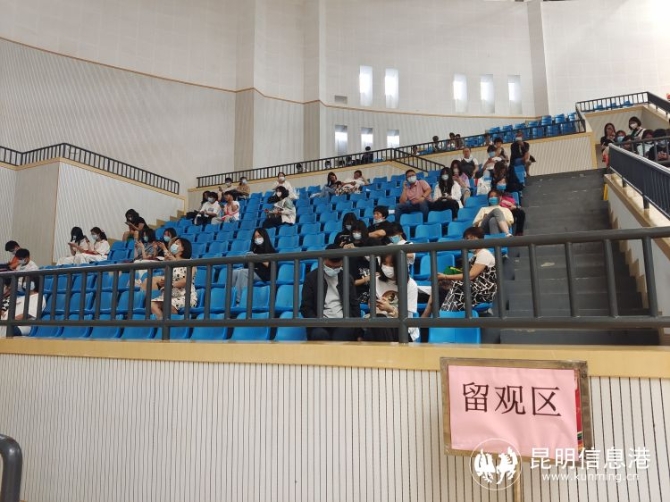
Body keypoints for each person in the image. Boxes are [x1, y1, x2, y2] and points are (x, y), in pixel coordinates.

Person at [300, 245, 361, 341]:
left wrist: (358, 331)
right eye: (329, 266)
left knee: (341, 336)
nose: (332, 269)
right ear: (323, 260)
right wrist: (316, 322)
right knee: (319, 334)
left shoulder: (347, 278)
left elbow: (354, 305)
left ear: (342, 263)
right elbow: (306, 307)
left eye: (336, 267)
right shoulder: (311, 278)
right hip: (319, 323)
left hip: (343, 322)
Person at [438, 226, 497, 312]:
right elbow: (464, 273)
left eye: (469, 238)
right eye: (466, 239)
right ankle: (436, 313)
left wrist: (445, 276)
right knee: (442, 283)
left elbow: (470, 276)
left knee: (456, 286)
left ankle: (446, 314)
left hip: (483, 291)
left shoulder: (484, 253)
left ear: (477, 238)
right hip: (473, 287)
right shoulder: (473, 257)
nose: (467, 241)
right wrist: (446, 276)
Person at [364, 253, 419, 342]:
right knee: (376, 321)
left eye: (391, 264)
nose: (387, 267)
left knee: (379, 323)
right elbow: (374, 307)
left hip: (402, 328)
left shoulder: (411, 285)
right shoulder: (376, 281)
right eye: (384, 263)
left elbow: (407, 318)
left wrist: (389, 309)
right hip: (380, 324)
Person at [150, 238, 197, 319]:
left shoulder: (191, 263)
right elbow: (167, 278)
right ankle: (163, 323)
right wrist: (162, 283)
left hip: (185, 296)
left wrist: (171, 284)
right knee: (152, 304)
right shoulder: (171, 263)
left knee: (168, 304)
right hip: (170, 296)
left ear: (183, 248)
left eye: (177, 243)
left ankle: (174, 325)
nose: (174, 245)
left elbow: (186, 281)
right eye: (174, 243)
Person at [1, 248, 44, 336]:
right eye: (24, 281)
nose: (25, 283)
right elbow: (6, 312)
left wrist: (10, 321)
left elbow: (27, 314)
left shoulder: (39, 298)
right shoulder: (21, 297)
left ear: (35, 283)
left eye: (28, 281)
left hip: (20, 326)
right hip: (7, 322)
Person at [232, 228, 276, 305]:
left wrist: (256, 257)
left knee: (243, 272)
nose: (257, 238)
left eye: (259, 236)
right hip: (253, 270)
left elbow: (269, 264)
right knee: (234, 272)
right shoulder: (255, 249)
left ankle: (239, 300)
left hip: (264, 273)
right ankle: (229, 297)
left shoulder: (271, 250)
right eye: (255, 237)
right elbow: (247, 266)